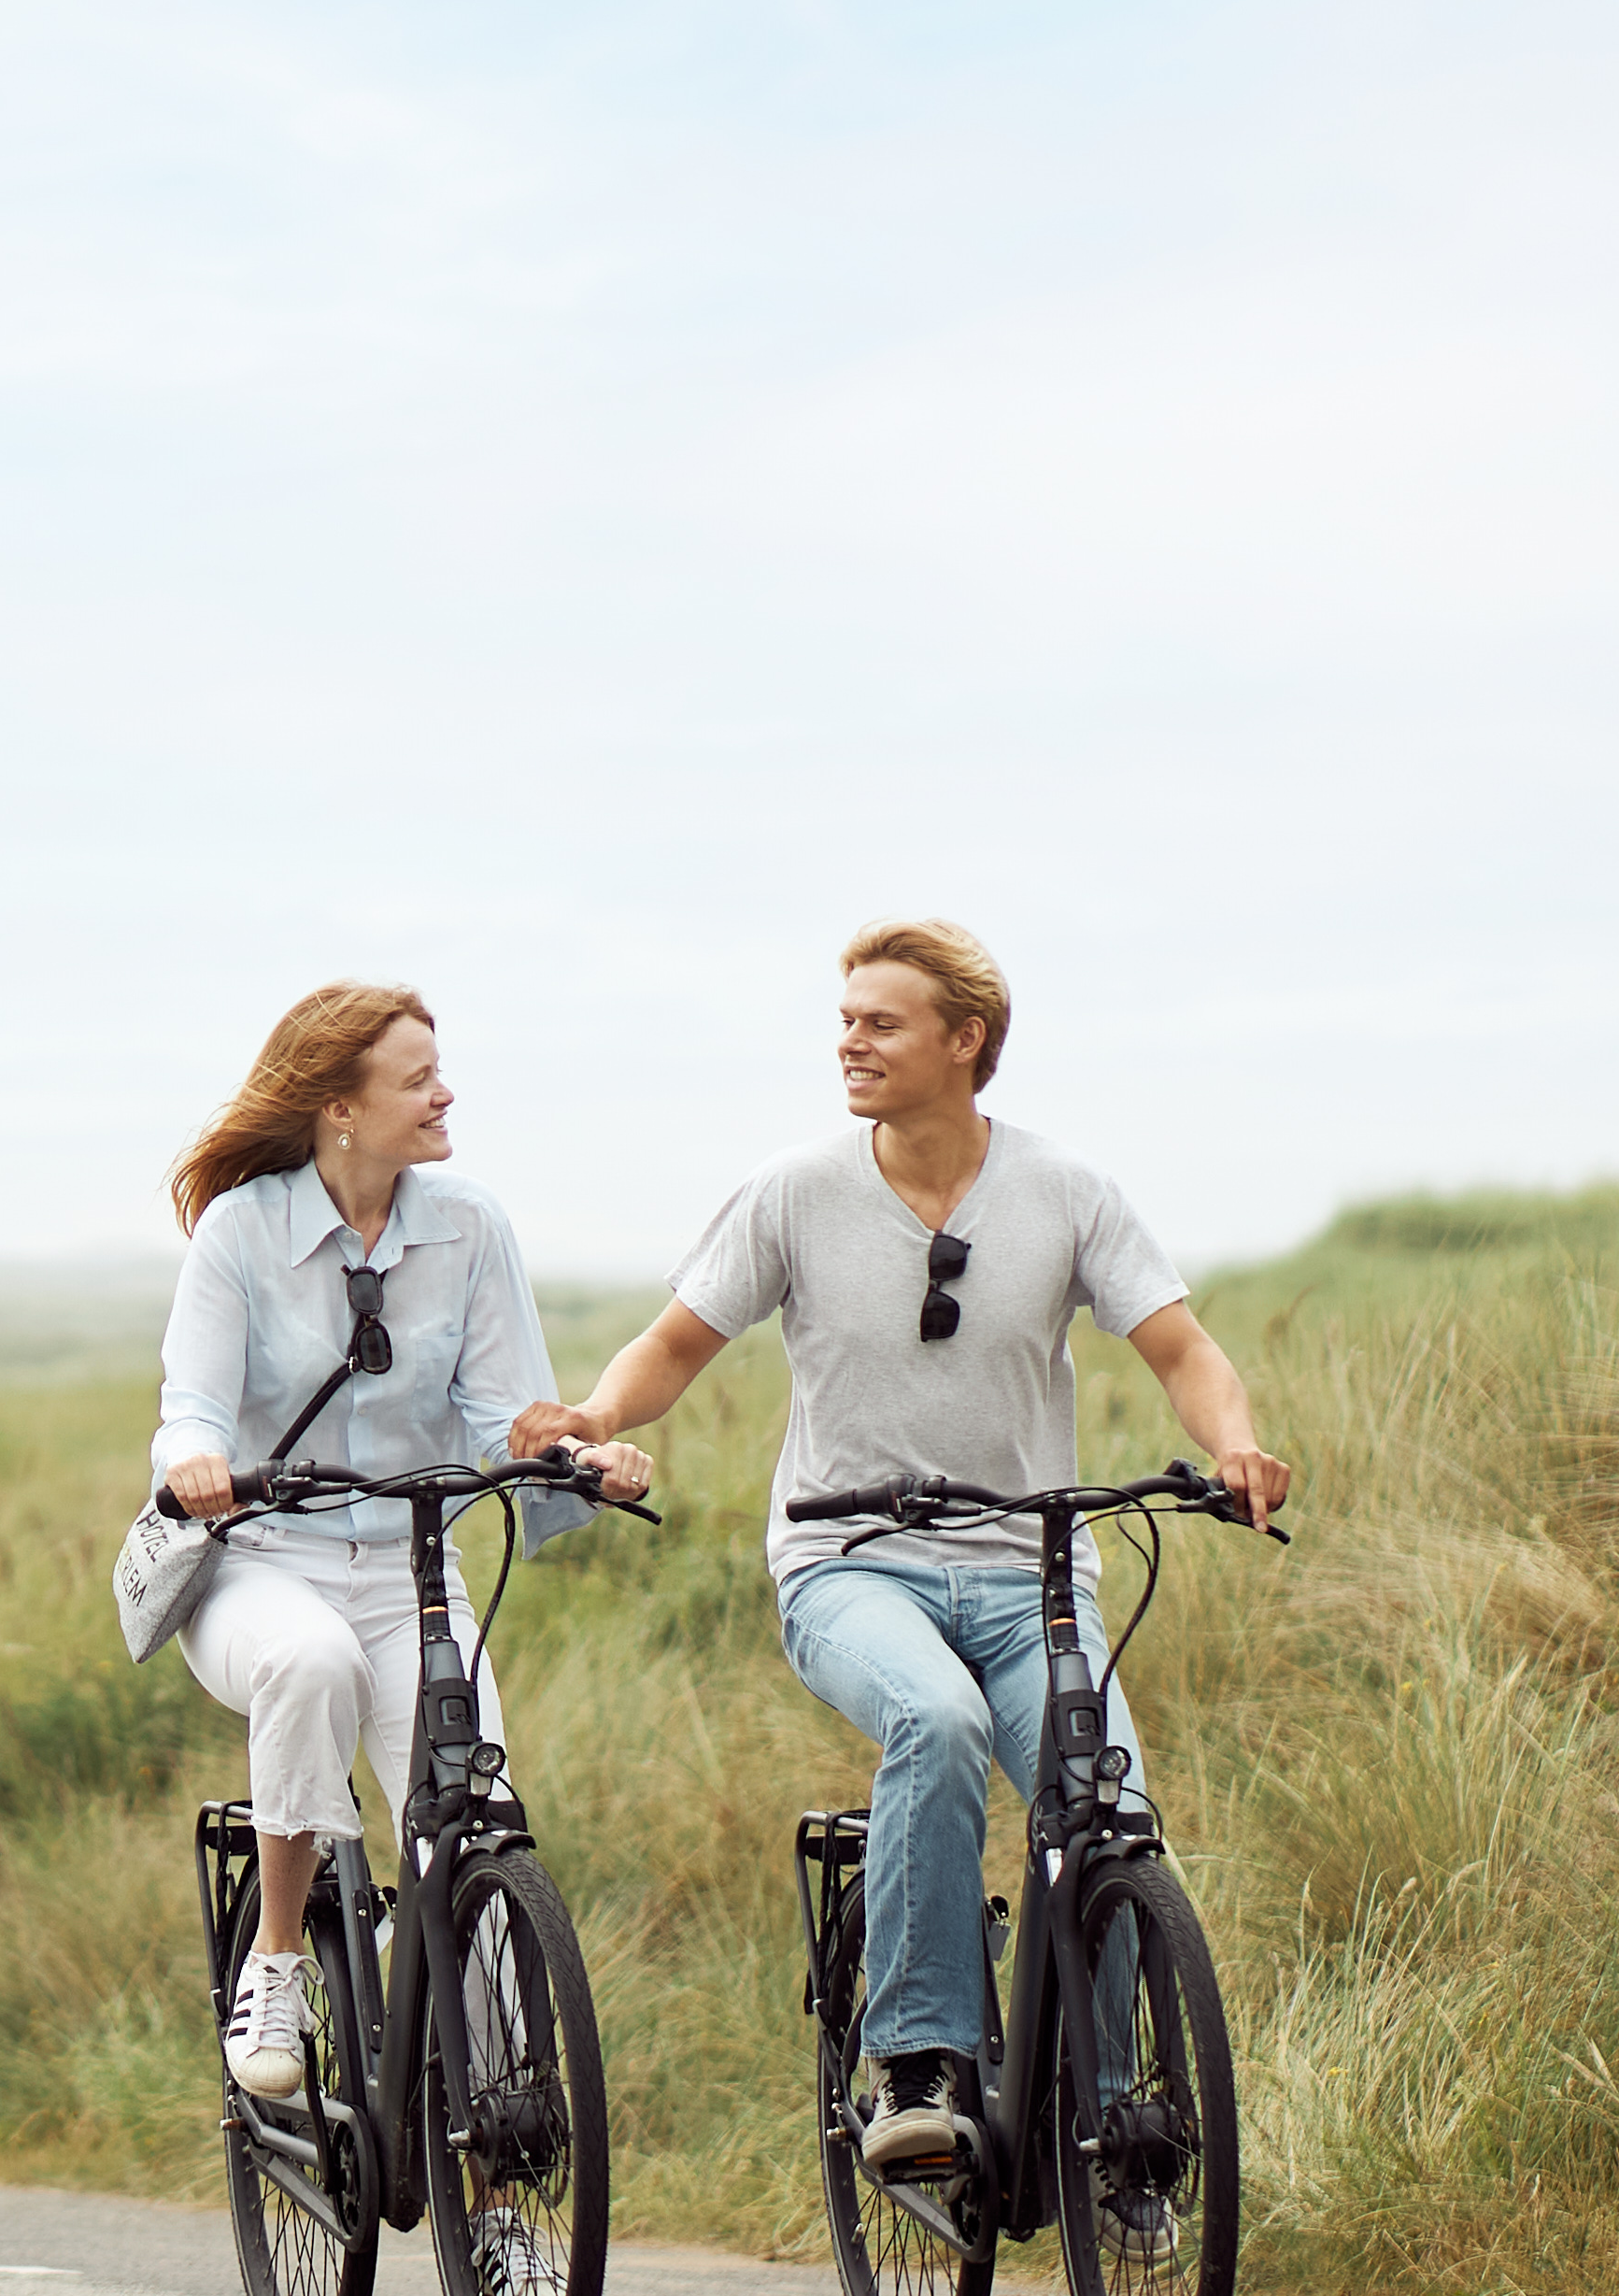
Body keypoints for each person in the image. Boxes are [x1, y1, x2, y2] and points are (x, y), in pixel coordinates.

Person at [515, 920, 1293, 2177]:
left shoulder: (1067, 1192)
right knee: (936, 1720)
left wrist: (1240, 1443)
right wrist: (596, 1417)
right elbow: (672, 1345)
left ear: (964, 1040)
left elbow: (1183, 1351)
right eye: (845, 1021)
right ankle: (916, 2062)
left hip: (1031, 1575)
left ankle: (1118, 2120)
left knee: (1107, 1804)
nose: (850, 1042)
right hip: (849, 1563)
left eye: (879, 1022)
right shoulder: (795, 1191)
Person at [142, 983, 643, 2105]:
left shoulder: (467, 1226)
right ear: (340, 1109)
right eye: (416, 1077)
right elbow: (192, 1401)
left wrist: (573, 1458)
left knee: (475, 1833)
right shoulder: (242, 1230)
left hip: (415, 1574)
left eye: (437, 1068)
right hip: (260, 1567)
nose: (444, 1091)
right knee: (308, 1661)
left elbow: (506, 1412)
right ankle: (275, 1960)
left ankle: (503, 2184)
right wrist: (194, 1462)